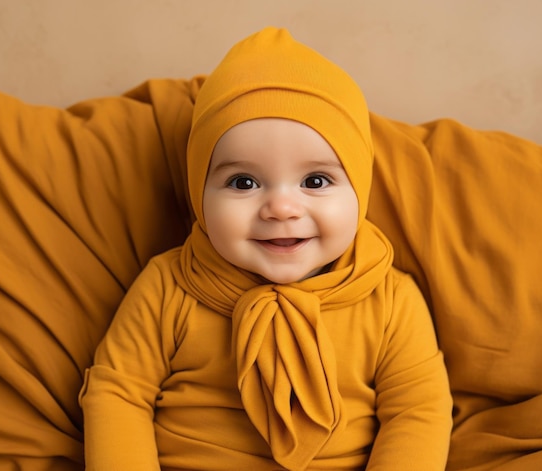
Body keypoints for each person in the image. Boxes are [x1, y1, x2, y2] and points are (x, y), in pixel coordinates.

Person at [79, 27, 453, 470]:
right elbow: (118, 393)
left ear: (360, 190)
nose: (281, 208)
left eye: (315, 181)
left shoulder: (389, 298)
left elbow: (418, 412)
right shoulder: (170, 285)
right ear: (200, 194)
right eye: (243, 182)